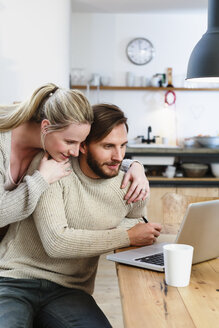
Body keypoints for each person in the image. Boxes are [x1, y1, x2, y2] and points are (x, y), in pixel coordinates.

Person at [0, 103, 162, 328]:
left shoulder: (129, 184)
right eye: (108, 146)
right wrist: (127, 236)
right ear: (83, 146)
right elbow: (56, 243)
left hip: (69, 290)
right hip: (14, 280)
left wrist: (135, 165)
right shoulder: (53, 169)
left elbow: (137, 221)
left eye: (123, 145)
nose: (118, 156)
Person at [0, 83, 149, 237]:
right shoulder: (4, 146)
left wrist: (134, 166)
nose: (76, 152)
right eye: (70, 142)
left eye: (80, 143)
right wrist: (41, 179)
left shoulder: (51, 142)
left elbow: (93, 155)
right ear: (45, 127)